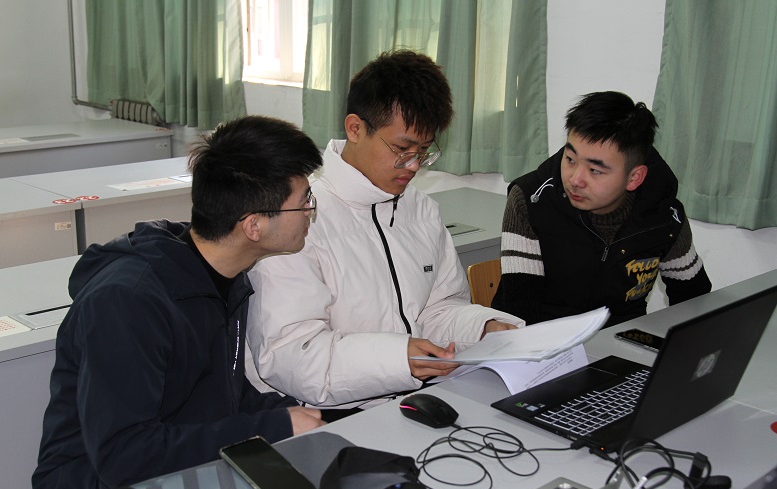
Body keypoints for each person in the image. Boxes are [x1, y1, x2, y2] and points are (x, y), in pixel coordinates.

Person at [32, 116, 325, 489]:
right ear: (253, 226)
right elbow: (124, 457)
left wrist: (297, 414)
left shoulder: (223, 275)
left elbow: (221, 393)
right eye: (304, 201)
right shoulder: (128, 302)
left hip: (178, 470)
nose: (310, 212)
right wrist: (276, 427)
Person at [246, 50, 524, 413]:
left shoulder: (421, 209)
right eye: (402, 148)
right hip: (331, 411)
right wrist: (397, 359)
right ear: (355, 129)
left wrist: (483, 328)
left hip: (415, 396)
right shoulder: (297, 218)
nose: (413, 165)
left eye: (423, 151)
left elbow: (438, 309)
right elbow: (292, 355)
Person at [492, 91, 712, 327]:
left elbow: (695, 301)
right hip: (545, 338)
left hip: (621, 341)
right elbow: (521, 315)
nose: (575, 180)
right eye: (570, 159)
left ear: (634, 177)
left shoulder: (664, 216)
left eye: (595, 170)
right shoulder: (531, 201)